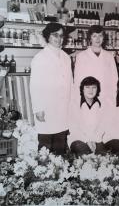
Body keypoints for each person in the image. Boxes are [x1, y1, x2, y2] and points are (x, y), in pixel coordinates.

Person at [30, 22, 73, 156]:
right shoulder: (40, 57)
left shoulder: (66, 58)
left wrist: (71, 105)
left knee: (60, 146)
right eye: (55, 35)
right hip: (46, 109)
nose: (59, 39)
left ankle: (59, 174)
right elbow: (35, 85)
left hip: (62, 109)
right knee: (45, 147)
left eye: (61, 36)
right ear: (48, 36)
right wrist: (38, 109)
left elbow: (70, 83)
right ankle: (44, 175)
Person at [74, 25, 118, 107]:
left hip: (107, 98)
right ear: (90, 38)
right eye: (94, 36)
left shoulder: (109, 56)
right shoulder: (81, 56)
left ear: (103, 38)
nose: (98, 39)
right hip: (89, 97)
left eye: (100, 35)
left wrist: (114, 97)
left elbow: (114, 78)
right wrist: (79, 99)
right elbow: (78, 80)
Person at [68, 76, 105, 156]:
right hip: (78, 139)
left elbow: (102, 126)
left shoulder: (101, 105)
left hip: (96, 139)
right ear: (82, 89)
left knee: (103, 159)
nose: (91, 90)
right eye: (87, 87)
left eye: (94, 87)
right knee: (87, 156)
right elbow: (74, 128)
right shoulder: (74, 104)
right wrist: (87, 140)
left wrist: (94, 140)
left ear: (97, 89)